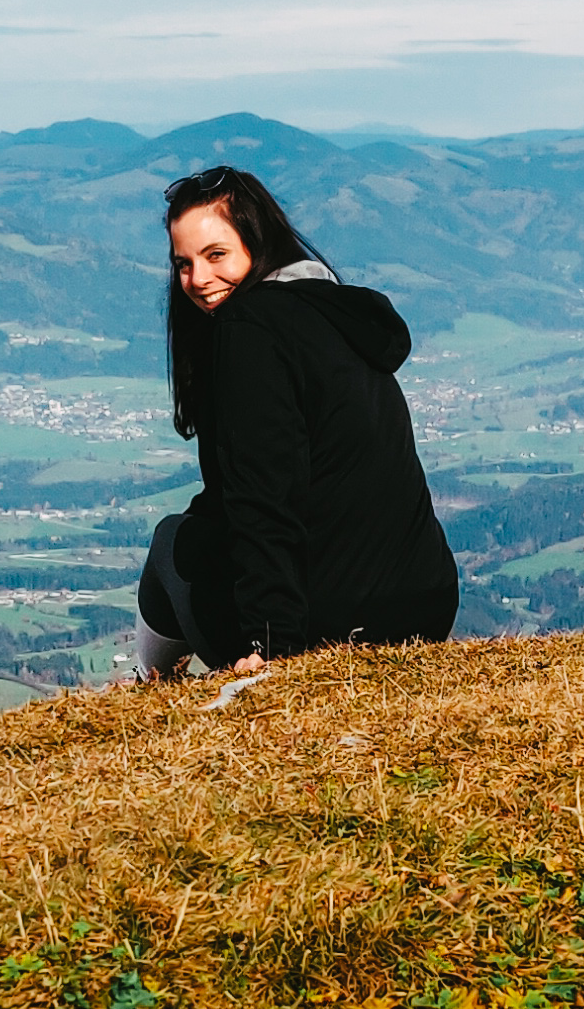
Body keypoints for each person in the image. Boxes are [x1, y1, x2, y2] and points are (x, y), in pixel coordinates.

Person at [133, 166, 458, 678]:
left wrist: (272, 644)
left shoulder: (246, 332)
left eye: (216, 255)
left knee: (173, 543)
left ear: (256, 245)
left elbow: (262, 497)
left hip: (326, 626)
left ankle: (149, 686)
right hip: (424, 610)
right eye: (183, 264)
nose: (196, 280)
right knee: (202, 527)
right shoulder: (332, 314)